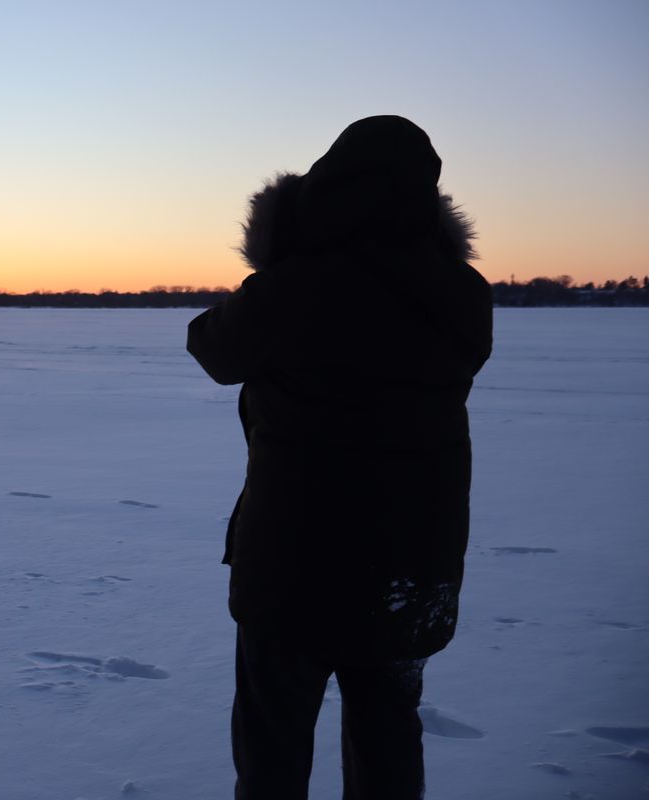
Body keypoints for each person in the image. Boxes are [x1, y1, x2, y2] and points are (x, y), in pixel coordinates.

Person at [186, 115, 493, 800]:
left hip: (292, 565)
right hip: (413, 565)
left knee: (273, 745)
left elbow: (213, 347)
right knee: (389, 732)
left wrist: (275, 257)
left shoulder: (294, 286)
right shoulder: (462, 295)